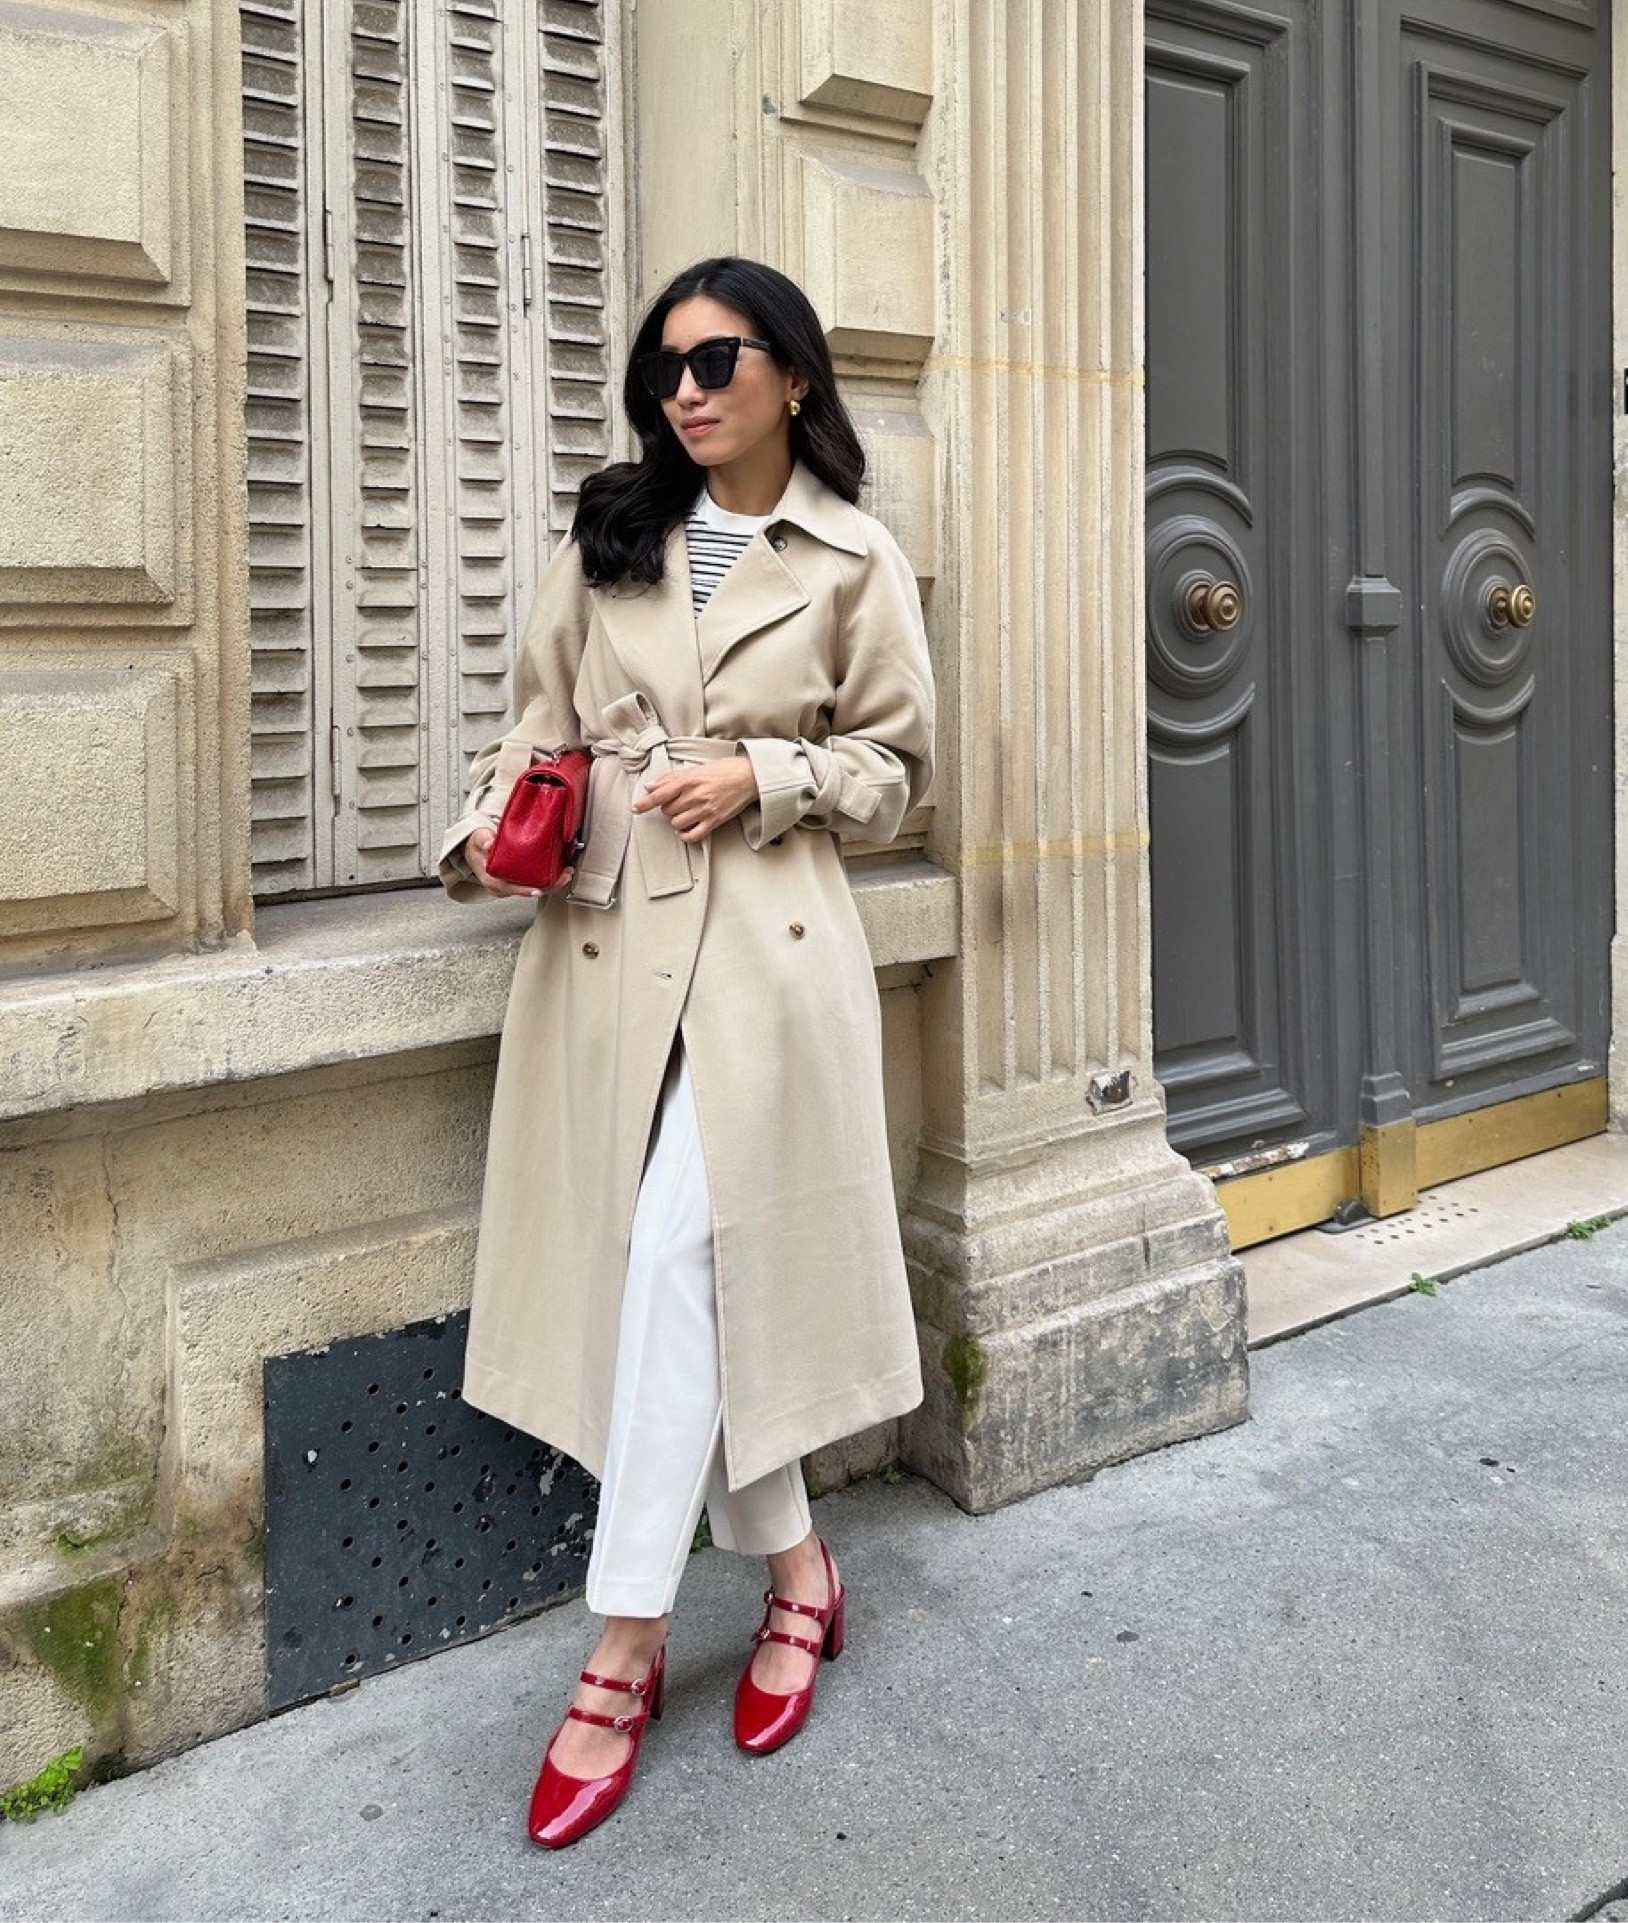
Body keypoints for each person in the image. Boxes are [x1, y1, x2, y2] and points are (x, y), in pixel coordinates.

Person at [439, 256, 935, 1849]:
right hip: (603, 945)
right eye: (666, 367)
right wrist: (486, 831)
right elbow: (536, 721)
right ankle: (798, 1574)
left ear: (795, 375)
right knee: (684, 1277)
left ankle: (623, 1648)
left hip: (766, 959)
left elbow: (898, 773)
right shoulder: (611, 535)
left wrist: (766, 779)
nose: (687, 389)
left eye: (719, 360)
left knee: (671, 1258)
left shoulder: (855, 559)